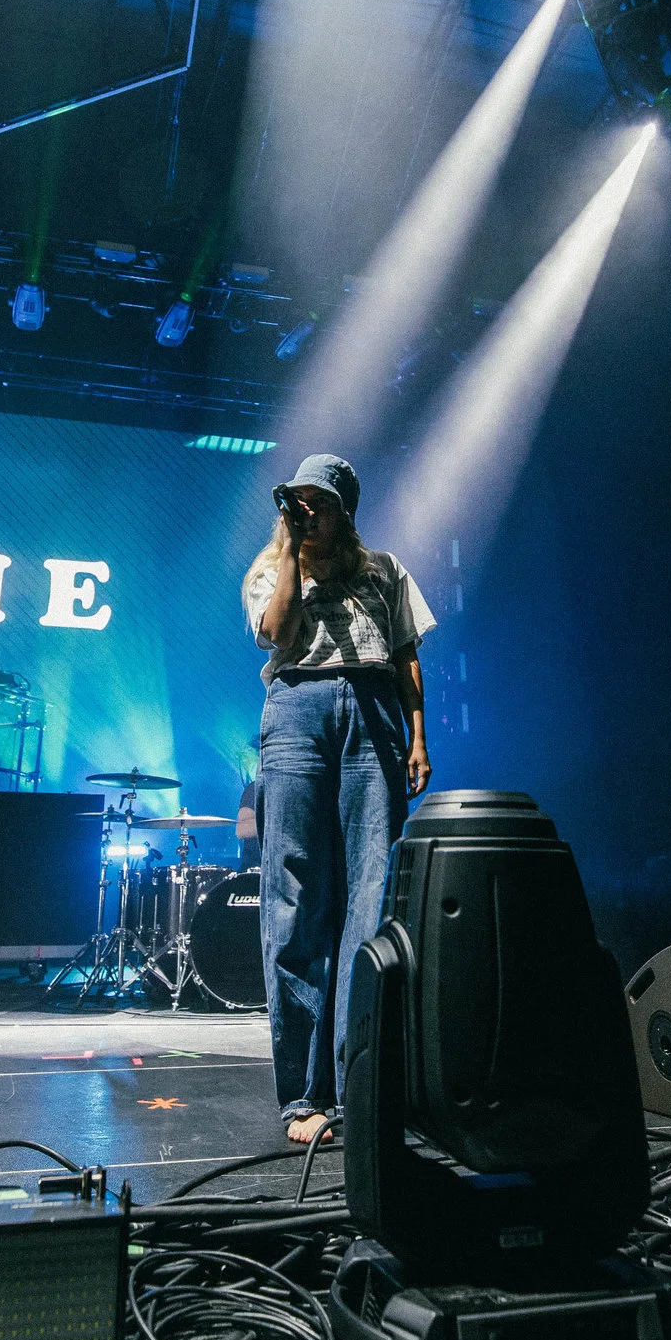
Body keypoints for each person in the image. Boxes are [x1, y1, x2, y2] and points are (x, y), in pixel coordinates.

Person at [241, 453, 436, 1143]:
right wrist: (293, 551)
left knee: (371, 896)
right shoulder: (270, 569)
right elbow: (277, 634)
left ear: (344, 509)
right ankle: (302, 1096)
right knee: (295, 897)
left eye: (318, 501)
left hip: (374, 708)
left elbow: (408, 653)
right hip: (297, 708)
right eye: (296, 500)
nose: (306, 509)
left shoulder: (384, 569)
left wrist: (417, 735)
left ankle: (359, 1087)